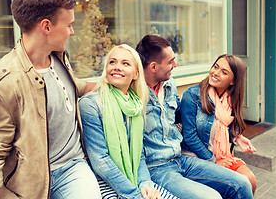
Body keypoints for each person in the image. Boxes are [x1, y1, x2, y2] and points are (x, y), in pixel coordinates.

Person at [0, 0, 100, 199]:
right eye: (68, 24)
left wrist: (110, 85)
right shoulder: (5, 81)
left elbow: (68, 88)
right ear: (47, 26)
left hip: (73, 167)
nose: (72, 31)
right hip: (33, 183)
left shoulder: (58, 56)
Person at [135, 35, 253, 199]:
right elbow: (133, 144)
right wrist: (143, 181)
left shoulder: (169, 84)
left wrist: (235, 136)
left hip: (180, 159)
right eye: (171, 62)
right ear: (154, 66)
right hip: (158, 167)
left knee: (243, 184)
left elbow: (178, 115)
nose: (175, 65)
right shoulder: (134, 95)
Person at [79, 44, 177, 199]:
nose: (117, 67)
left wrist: (145, 183)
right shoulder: (91, 104)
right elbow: (100, 160)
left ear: (136, 73)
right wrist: (133, 194)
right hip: (105, 181)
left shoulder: (136, 104)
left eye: (125, 63)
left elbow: (139, 154)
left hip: (135, 176)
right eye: (112, 62)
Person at [180, 54, 257, 193]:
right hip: (194, 157)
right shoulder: (192, 95)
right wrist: (213, 161)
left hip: (220, 155)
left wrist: (237, 137)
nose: (215, 73)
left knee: (250, 181)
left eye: (224, 72)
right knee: (237, 185)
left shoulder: (230, 99)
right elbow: (190, 137)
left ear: (233, 81)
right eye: (216, 67)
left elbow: (226, 127)